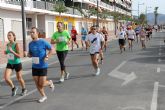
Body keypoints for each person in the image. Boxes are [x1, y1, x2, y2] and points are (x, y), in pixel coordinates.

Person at [28, 27, 54, 103]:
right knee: (37, 84)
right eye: (31, 32)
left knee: (41, 84)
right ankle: (43, 96)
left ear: (37, 33)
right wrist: (28, 54)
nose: (32, 34)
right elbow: (31, 54)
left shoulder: (43, 42)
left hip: (43, 66)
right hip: (34, 66)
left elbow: (52, 49)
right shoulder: (30, 44)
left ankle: (50, 82)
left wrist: (47, 56)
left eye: (33, 32)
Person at [3, 31, 27, 96]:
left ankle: (24, 89)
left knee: (19, 78)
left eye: (10, 35)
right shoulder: (7, 44)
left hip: (17, 63)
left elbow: (19, 55)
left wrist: (12, 51)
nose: (8, 37)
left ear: (14, 36)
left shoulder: (16, 44)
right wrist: (6, 52)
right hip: (10, 63)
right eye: (8, 35)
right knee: (6, 78)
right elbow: (9, 53)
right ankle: (13, 88)